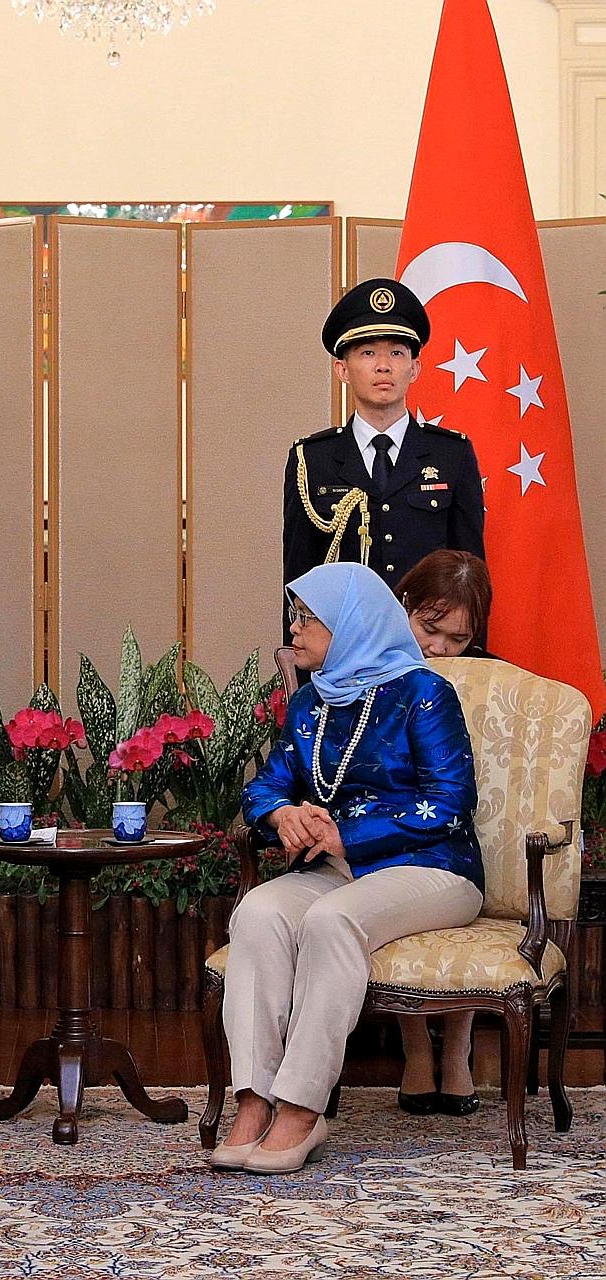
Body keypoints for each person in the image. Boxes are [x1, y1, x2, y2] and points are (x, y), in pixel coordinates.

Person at [210, 562, 484, 1173]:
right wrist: (281, 815)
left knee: (333, 921)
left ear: (353, 624)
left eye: (309, 618)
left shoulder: (423, 693)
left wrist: (347, 831)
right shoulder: (311, 701)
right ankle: (252, 1100)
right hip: (340, 869)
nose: (295, 627)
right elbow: (266, 786)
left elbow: (449, 802)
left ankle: (301, 1109)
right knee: (258, 910)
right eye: (297, 615)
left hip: (435, 868)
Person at [282, 278, 485, 633]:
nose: (383, 366)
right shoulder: (312, 460)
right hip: (343, 650)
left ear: (414, 368)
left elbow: (470, 576)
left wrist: (465, 663)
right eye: (368, 353)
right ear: (342, 370)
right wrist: (298, 672)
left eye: (396, 353)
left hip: (428, 651)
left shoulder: (451, 455)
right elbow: (298, 578)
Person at [393, 550, 494, 1117]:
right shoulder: (373, 674)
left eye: (456, 639)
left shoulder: (490, 680)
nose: (439, 649)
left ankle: (457, 1052)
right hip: (385, 837)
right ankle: (415, 1052)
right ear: (403, 605)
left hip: (455, 834)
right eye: (429, 630)